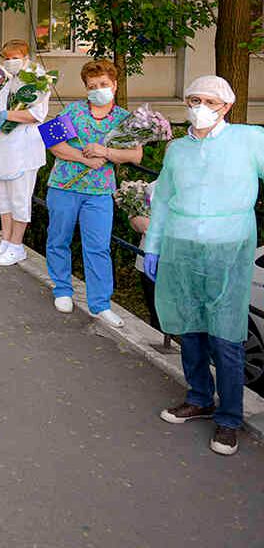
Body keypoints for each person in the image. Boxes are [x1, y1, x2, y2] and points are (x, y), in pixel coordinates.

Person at [143, 75, 263, 456]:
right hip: (181, 246)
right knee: (188, 326)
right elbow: (162, 198)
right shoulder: (177, 150)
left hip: (228, 247)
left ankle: (229, 419)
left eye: (209, 101)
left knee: (226, 334)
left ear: (225, 106)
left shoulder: (249, 140)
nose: (199, 107)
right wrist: (154, 244)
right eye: (193, 99)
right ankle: (199, 397)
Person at [44, 58, 142, 327]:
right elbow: (54, 143)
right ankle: (62, 289)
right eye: (92, 85)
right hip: (64, 186)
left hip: (99, 192)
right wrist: (84, 158)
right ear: (86, 88)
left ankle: (100, 304)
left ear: (114, 84)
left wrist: (106, 152)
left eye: (103, 84)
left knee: (98, 247)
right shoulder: (73, 111)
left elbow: (136, 154)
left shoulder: (124, 119)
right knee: (58, 238)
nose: (98, 88)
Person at [0, 40, 49, 267]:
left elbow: (36, 114)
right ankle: (6, 240)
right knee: (2, 197)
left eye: (15, 57)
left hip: (23, 149)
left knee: (19, 197)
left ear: (26, 57)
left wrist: (8, 117)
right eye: (7, 57)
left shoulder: (37, 81)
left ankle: (17, 244)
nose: (10, 61)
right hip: (2, 146)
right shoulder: (9, 82)